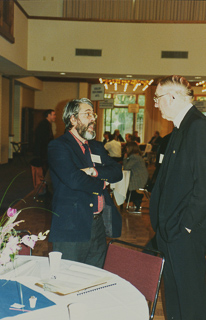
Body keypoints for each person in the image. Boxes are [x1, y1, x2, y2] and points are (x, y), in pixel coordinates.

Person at [150, 75, 206, 320]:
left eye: (157, 98)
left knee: (190, 298)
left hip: (184, 232)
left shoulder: (198, 127)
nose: (155, 104)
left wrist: (186, 226)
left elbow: (203, 184)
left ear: (172, 97)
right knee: (173, 294)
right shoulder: (180, 129)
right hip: (169, 231)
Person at [47, 98, 122, 268]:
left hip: (98, 225)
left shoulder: (96, 147)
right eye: (87, 114)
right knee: (69, 279)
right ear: (73, 119)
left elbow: (117, 172)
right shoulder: (58, 146)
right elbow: (74, 179)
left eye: (93, 114)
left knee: (95, 276)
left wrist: (94, 172)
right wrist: (103, 183)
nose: (93, 119)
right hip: (72, 226)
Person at [123, 142, 148, 212]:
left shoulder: (134, 157)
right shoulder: (137, 156)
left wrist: (125, 158)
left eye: (127, 148)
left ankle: (137, 199)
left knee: (126, 186)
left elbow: (126, 167)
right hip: (140, 177)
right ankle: (136, 200)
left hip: (138, 179)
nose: (126, 149)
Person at [34, 109, 56, 173]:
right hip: (43, 150)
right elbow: (44, 139)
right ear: (49, 115)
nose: (55, 116)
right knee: (44, 166)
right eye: (54, 115)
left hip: (44, 149)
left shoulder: (46, 124)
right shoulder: (44, 124)